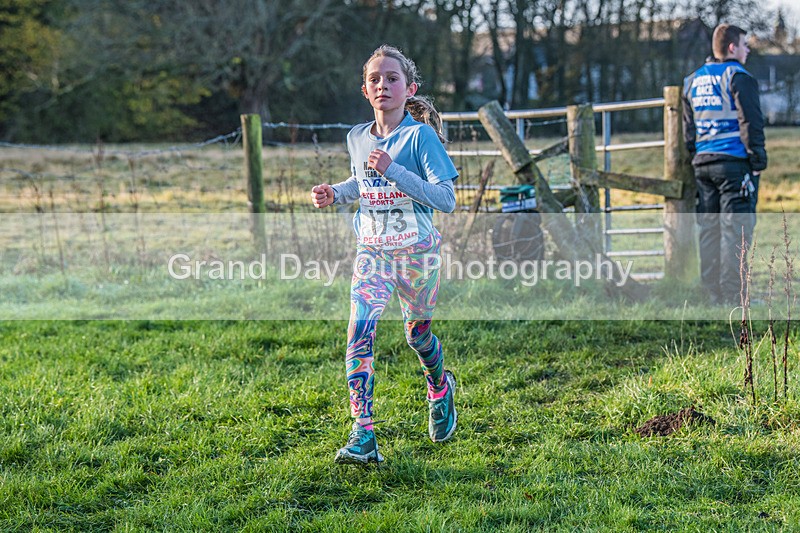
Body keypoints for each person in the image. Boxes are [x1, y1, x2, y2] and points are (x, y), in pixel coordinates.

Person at [310, 45, 459, 464]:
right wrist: (336, 193)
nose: (383, 85)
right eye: (375, 79)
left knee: (418, 335)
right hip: (372, 252)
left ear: (408, 88)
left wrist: (394, 168)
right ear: (365, 90)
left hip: (417, 255)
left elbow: (445, 199)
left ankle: (439, 385)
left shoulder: (420, 137)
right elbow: (362, 181)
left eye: (392, 78)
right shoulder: (356, 137)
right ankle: (363, 434)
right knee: (359, 333)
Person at [682, 23, 767, 306]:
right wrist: (757, 161)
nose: (747, 50)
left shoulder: (692, 80)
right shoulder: (738, 76)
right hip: (734, 164)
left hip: (703, 166)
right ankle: (734, 297)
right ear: (732, 47)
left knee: (709, 229)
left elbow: (688, 131)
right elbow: (751, 121)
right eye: (744, 44)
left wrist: (698, 154)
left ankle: (710, 294)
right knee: (736, 229)